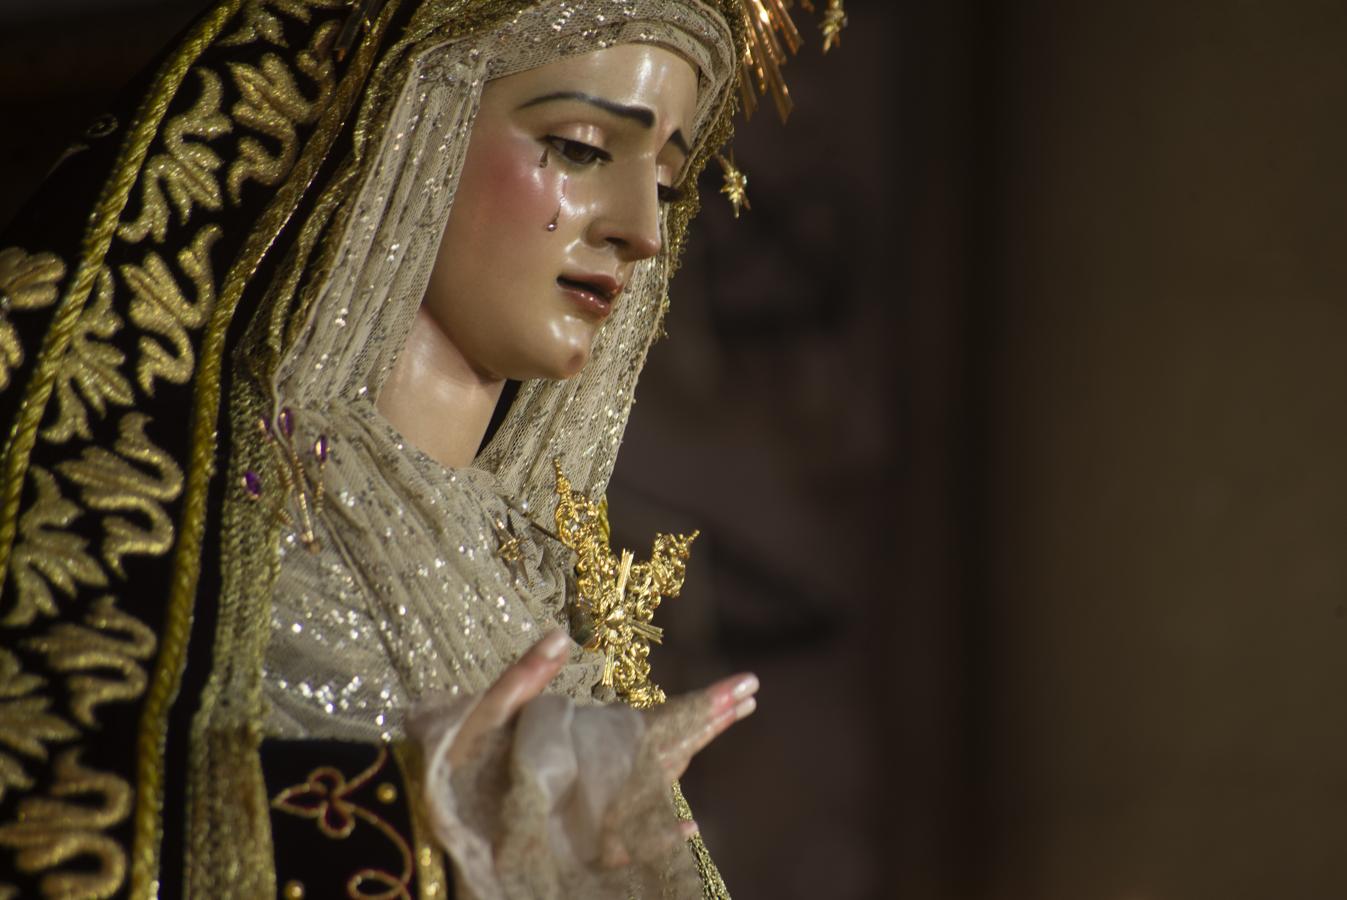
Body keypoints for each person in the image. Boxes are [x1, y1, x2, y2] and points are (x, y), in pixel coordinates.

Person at [0, 0, 840, 896]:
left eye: (668, 184)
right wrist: (407, 829)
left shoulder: (532, 585)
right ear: (413, 123)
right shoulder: (188, 514)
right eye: (581, 148)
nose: (643, 229)